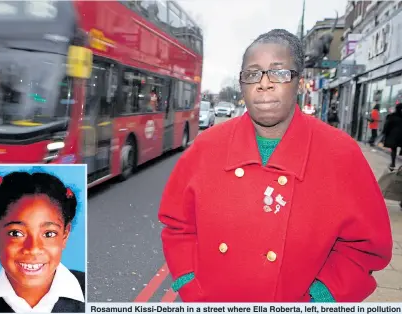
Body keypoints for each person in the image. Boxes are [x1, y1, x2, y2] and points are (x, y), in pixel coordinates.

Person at [158, 29, 392, 302]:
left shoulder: (341, 153)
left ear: (299, 82)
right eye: (252, 74)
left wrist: (321, 299)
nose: (264, 84)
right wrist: (190, 284)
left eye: (279, 73)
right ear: (242, 84)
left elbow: (364, 248)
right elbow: (177, 227)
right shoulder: (206, 146)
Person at [0, 172, 85, 313]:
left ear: (64, 236)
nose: (33, 248)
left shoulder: (89, 290)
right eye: (16, 233)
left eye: (49, 234)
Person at [381, 103, 402, 171]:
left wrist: (384, 133)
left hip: (394, 135)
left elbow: (387, 125)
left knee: (394, 149)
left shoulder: (392, 116)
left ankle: (393, 163)